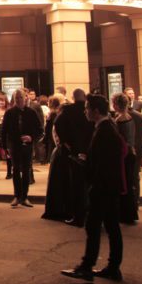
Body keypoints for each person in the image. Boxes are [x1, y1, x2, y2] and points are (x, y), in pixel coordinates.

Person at [61, 94, 127, 282]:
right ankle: (113, 267)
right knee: (112, 227)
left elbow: (104, 163)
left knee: (93, 226)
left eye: (87, 108)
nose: (85, 111)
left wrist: (86, 166)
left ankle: (87, 266)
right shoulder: (109, 126)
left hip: (102, 187)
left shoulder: (104, 130)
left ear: (96, 111)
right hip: (109, 185)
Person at [56, 88, 95, 226]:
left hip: (74, 151)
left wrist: (66, 142)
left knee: (77, 185)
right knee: (90, 184)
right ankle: (90, 213)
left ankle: (78, 215)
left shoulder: (68, 110)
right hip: (90, 151)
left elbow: (58, 124)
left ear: (73, 97)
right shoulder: (90, 110)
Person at [3, 88, 42, 208]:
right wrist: (5, 148)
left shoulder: (31, 112)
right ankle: (16, 196)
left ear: (25, 98)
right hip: (15, 145)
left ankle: (24, 197)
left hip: (27, 146)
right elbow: (4, 131)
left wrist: (31, 137)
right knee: (15, 170)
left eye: (21, 97)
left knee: (26, 171)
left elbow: (40, 130)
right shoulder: (9, 113)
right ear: (14, 99)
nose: (19, 100)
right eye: (17, 98)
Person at [42, 94, 73, 222]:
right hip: (61, 153)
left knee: (58, 183)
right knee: (63, 182)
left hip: (59, 153)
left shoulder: (57, 120)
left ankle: (58, 209)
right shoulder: (59, 122)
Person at [110, 93, 138, 224]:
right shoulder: (130, 117)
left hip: (124, 155)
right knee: (129, 182)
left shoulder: (120, 119)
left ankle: (125, 214)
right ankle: (130, 213)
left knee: (123, 183)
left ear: (116, 104)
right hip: (131, 152)